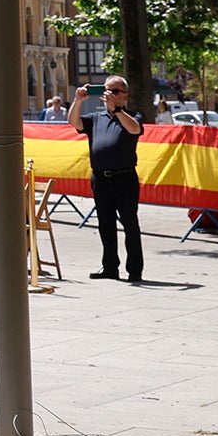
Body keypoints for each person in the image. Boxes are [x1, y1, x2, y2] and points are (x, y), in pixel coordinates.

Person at [72, 76, 143, 282]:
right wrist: (78, 101)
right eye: (106, 90)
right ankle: (110, 267)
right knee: (105, 225)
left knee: (130, 224)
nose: (109, 95)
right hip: (101, 178)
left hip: (125, 178)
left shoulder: (132, 115)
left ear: (124, 95)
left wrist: (118, 110)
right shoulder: (96, 118)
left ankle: (135, 269)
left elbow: (135, 129)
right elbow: (75, 122)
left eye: (114, 91)